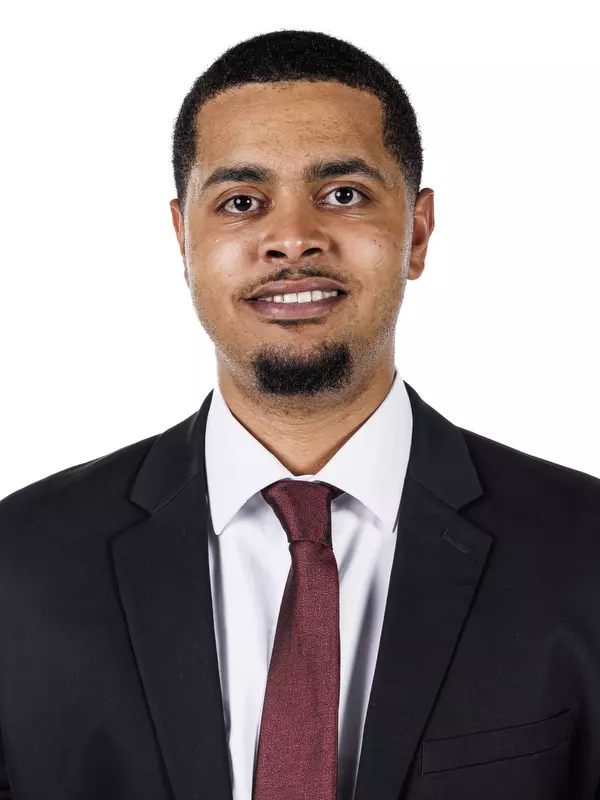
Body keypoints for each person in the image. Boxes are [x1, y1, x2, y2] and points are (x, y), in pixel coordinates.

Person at [0, 28, 598, 800]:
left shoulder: (583, 551)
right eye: (242, 202)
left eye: (343, 195)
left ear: (416, 232)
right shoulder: (19, 566)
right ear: (183, 237)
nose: (292, 240)